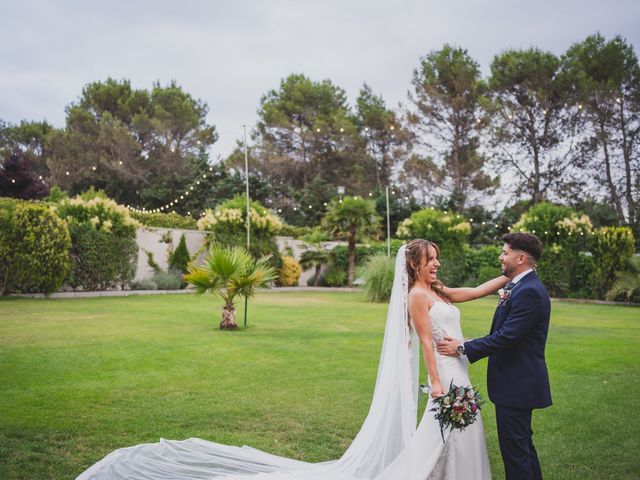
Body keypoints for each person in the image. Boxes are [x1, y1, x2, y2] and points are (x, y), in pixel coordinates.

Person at [76, 241, 507, 480]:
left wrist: (510, 278)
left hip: (459, 370)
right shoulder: (416, 295)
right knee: (440, 433)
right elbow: (428, 343)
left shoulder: (439, 290)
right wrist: (434, 383)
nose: (437, 265)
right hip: (444, 376)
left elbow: (469, 294)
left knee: (453, 434)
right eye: (431, 260)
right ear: (414, 264)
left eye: (437, 261)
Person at [437, 233, 552, 480]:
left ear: (520, 258)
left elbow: (507, 337)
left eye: (505, 252)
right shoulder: (520, 285)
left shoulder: (529, 291)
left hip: (518, 383)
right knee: (521, 447)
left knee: (516, 451)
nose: (501, 256)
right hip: (516, 383)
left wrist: (462, 347)